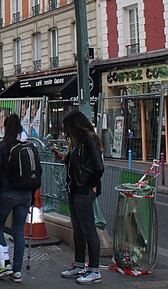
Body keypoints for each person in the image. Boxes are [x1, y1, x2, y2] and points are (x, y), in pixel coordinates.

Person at [55, 111, 105, 285]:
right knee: (78, 228)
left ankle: (94, 269)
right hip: (75, 188)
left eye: (67, 129)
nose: (66, 133)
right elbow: (81, 164)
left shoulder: (89, 140)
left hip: (83, 189)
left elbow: (98, 166)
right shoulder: (78, 143)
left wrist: (91, 183)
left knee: (87, 228)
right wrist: (65, 158)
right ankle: (79, 264)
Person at [0, 113, 33, 283]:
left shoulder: (2, 147)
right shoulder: (27, 146)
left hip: (7, 193)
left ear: (5, 128)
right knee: (19, 231)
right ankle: (17, 271)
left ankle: (4, 263)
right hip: (25, 194)